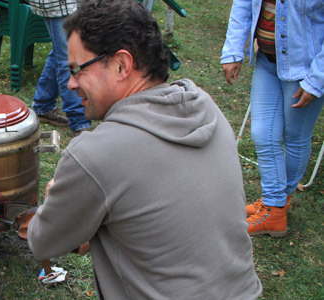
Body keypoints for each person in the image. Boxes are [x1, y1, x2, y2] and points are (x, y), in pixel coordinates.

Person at [26, 0, 262, 298]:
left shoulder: (94, 155)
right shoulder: (206, 107)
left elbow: (42, 242)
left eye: (77, 69)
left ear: (121, 65)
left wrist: (54, 198)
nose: (71, 84)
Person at [221, 0, 324, 237]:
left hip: (307, 69)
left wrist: (317, 79)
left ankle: (275, 206)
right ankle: (275, 203)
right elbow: (243, 5)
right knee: (262, 134)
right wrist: (233, 51)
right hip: (266, 62)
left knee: (295, 137)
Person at [28, 0, 91, 136]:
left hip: (72, 4)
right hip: (58, 3)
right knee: (68, 58)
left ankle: (43, 105)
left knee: (61, 53)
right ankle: (79, 121)